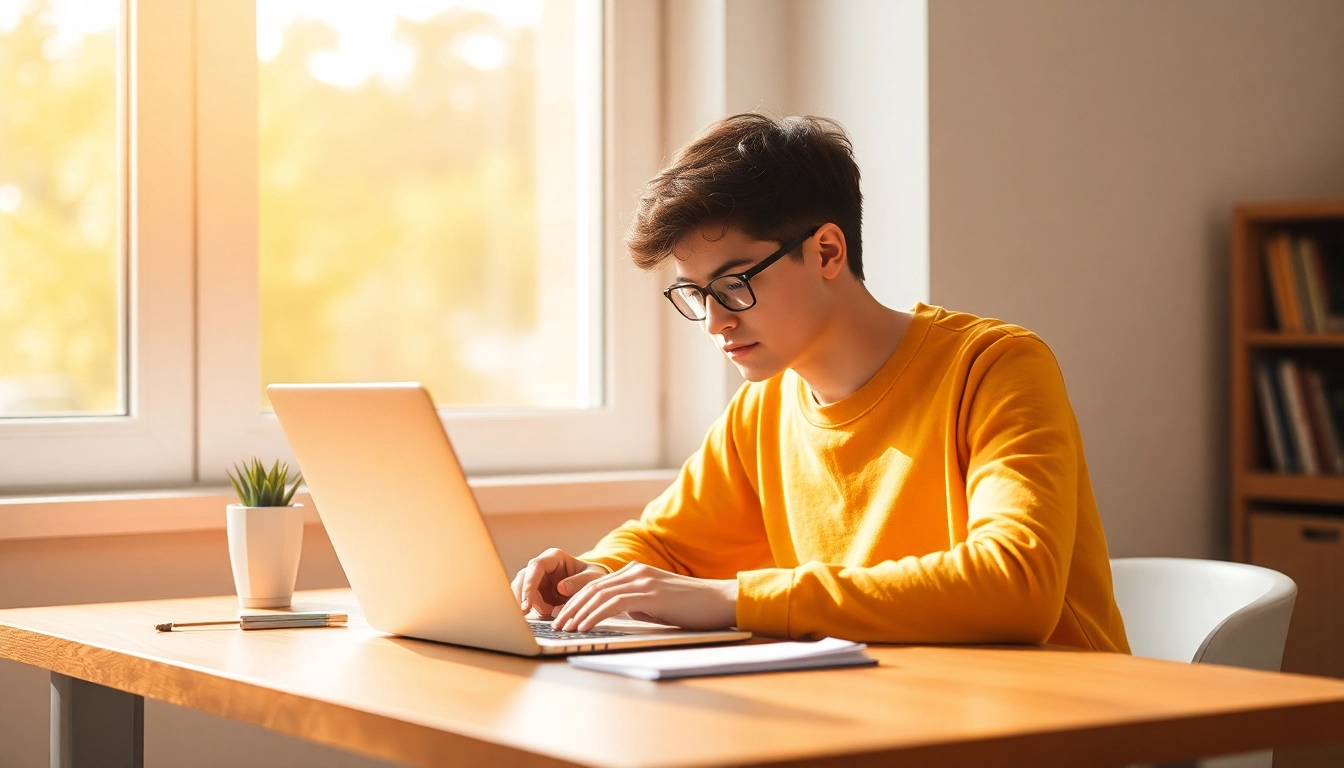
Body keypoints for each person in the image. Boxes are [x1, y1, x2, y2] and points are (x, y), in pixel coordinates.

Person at [511, 113, 1129, 652]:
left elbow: (1015, 585)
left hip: (1060, 728)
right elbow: (665, 548)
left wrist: (736, 599)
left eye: (733, 285)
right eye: (695, 294)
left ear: (828, 252)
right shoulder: (763, 408)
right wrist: (590, 574)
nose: (714, 321)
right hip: (896, 721)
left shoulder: (994, 367)